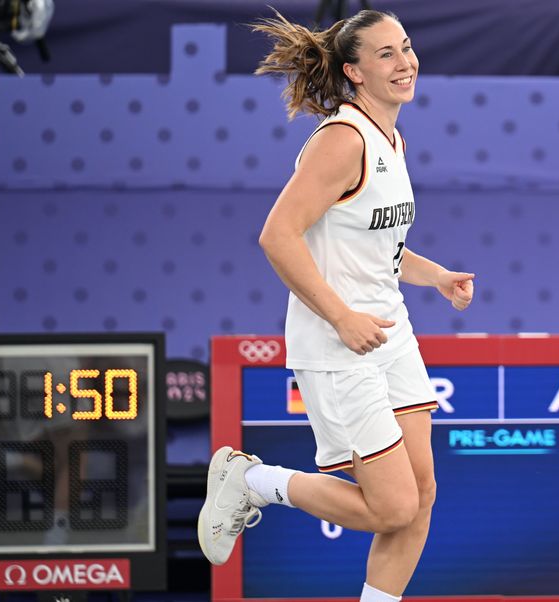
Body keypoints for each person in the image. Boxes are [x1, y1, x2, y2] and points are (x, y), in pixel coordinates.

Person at [197, 9, 475, 602]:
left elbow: (378, 250)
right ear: (354, 71)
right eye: (385, 55)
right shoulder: (342, 139)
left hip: (391, 334)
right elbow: (278, 235)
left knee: (422, 496)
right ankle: (251, 479)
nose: (405, 63)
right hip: (338, 343)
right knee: (393, 506)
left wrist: (438, 277)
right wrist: (341, 317)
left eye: (405, 48)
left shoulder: (391, 139)